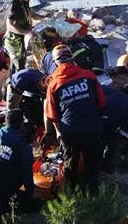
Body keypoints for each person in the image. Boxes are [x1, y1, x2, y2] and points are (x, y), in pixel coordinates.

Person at [44, 44, 106, 192]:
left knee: (71, 165)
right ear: (72, 58)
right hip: (92, 128)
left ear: (55, 62)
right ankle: (93, 194)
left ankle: (72, 194)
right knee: (93, 165)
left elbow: (51, 115)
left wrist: (57, 132)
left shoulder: (53, 84)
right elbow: (102, 102)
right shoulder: (89, 76)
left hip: (70, 132)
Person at [0, 109, 42, 221]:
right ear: (21, 125)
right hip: (3, 191)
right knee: (37, 204)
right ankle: (3, 207)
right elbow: (27, 176)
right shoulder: (23, 148)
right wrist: (30, 197)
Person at [4, 0, 46, 73]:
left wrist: (44, 18)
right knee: (20, 63)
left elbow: (31, 14)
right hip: (14, 40)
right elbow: (9, 26)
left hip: (24, 36)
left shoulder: (24, 1)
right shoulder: (13, 6)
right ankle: (16, 82)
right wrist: (26, 32)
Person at [99, 81, 128, 173]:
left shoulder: (92, 93)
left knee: (104, 137)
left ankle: (105, 165)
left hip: (114, 111)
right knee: (114, 134)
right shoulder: (102, 87)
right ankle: (109, 162)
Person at [6, 68, 47, 142]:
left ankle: (39, 133)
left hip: (30, 90)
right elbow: (14, 105)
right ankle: (16, 138)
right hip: (15, 86)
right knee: (14, 113)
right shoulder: (21, 81)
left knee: (38, 113)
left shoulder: (47, 81)